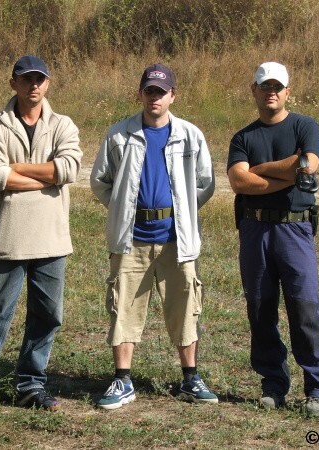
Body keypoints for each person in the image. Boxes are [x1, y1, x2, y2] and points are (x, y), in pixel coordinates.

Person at [0, 55, 82, 414]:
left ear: (48, 83)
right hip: (7, 237)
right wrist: (46, 177)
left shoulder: (63, 125)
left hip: (51, 238)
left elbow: (69, 169)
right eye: (26, 79)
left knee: (48, 315)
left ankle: (30, 384)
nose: (34, 86)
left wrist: (17, 170)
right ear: (13, 83)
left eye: (39, 79)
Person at [90, 63, 217, 410]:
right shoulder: (119, 135)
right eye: (149, 91)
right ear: (140, 94)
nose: (154, 97)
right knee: (124, 307)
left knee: (185, 306)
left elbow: (205, 183)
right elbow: (100, 181)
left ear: (173, 95)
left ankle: (190, 378)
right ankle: (122, 379)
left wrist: (183, 211)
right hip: (132, 239)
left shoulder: (190, 135)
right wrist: (122, 208)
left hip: (177, 240)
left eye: (161, 92)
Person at [227, 62, 319, 417]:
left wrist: (258, 169)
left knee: (304, 308)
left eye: (277, 86)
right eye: (264, 86)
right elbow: (239, 183)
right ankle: (273, 383)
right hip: (255, 230)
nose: (270, 91)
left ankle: (318, 387)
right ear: (253, 91)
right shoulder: (243, 137)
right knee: (260, 309)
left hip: (295, 229)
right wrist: (286, 172)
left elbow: (307, 164)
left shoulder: (305, 125)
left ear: (288, 91)